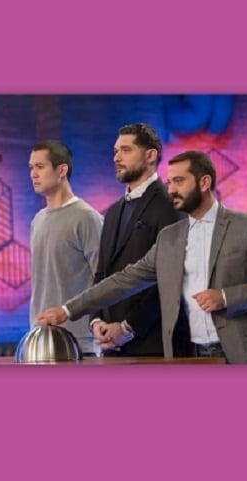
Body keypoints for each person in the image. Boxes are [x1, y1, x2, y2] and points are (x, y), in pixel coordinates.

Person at [36, 150, 247, 364]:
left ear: (204, 183)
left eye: (179, 181)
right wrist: (68, 310)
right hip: (190, 354)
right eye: (169, 183)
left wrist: (225, 297)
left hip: (244, 353)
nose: (171, 190)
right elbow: (124, 280)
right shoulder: (170, 237)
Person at [89, 123, 183, 356]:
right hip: (110, 347)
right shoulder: (112, 212)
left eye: (126, 150)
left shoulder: (170, 206)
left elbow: (170, 281)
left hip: (154, 348)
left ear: (150, 156)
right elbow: (102, 274)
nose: (116, 158)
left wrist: (127, 328)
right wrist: (96, 320)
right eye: (116, 151)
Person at [28, 140, 102, 355]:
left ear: (61, 170)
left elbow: (104, 279)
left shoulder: (86, 217)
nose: (33, 174)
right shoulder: (38, 220)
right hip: (40, 339)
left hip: (80, 343)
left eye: (40, 167)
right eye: (31, 168)